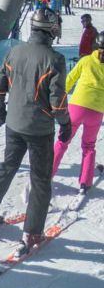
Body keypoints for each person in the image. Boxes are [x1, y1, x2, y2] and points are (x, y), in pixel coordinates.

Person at [0, 8, 71, 257]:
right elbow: (58, 103)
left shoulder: (15, 51)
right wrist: (65, 125)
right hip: (39, 129)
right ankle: (33, 231)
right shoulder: (54, 59)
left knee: (8, 166)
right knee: (40, 179)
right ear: (51, 29)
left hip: (14, 124)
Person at [53, 32, 104, 194]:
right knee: (89, 146)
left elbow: (69, 80)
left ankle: (47, 174)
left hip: (77, 106)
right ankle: (85, 182)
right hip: (97, 111)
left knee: (63, 140)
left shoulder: (86, 60)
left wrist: (57, 100)